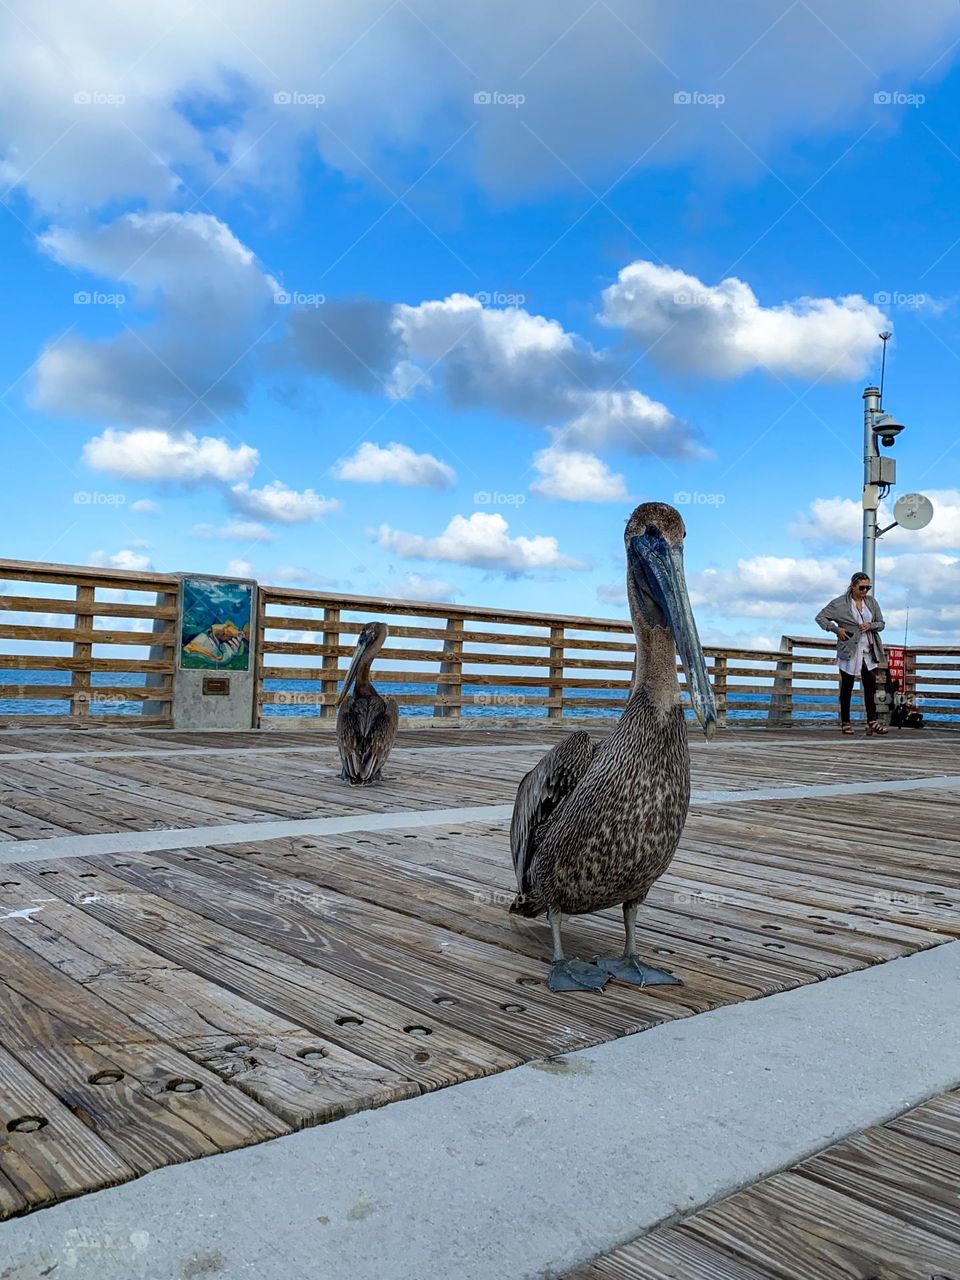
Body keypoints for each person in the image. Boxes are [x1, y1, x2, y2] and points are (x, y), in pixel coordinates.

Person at [815, 572, 889, 736]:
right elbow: (820, 618)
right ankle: (846, 722)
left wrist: (871, 625)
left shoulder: (871, 602)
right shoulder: (839, 603)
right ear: (852, 586)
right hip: (849, 649)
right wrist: (836, 629)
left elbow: (882, 624)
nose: (865, 591)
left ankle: (872, 721)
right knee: (847, 687)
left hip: (869, 649)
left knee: (870, 686)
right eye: (861, 587)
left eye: (868, 587)